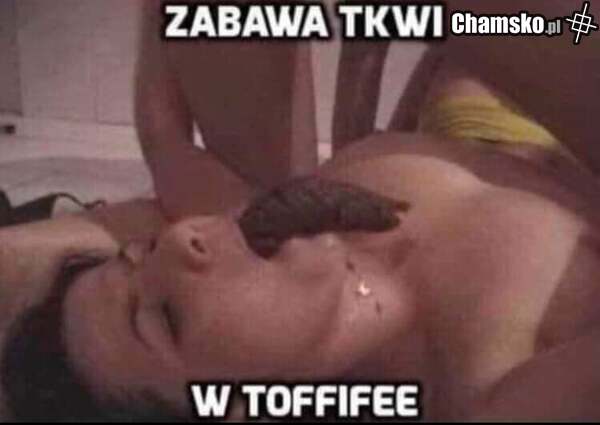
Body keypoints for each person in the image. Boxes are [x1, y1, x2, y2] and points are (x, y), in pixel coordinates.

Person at [2, 0, 600, 421]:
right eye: (165, 319)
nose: (182, 237)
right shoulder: (495, 390)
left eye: (143, 253)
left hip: (477, 106)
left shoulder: (258, 220)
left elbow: (165, 138)